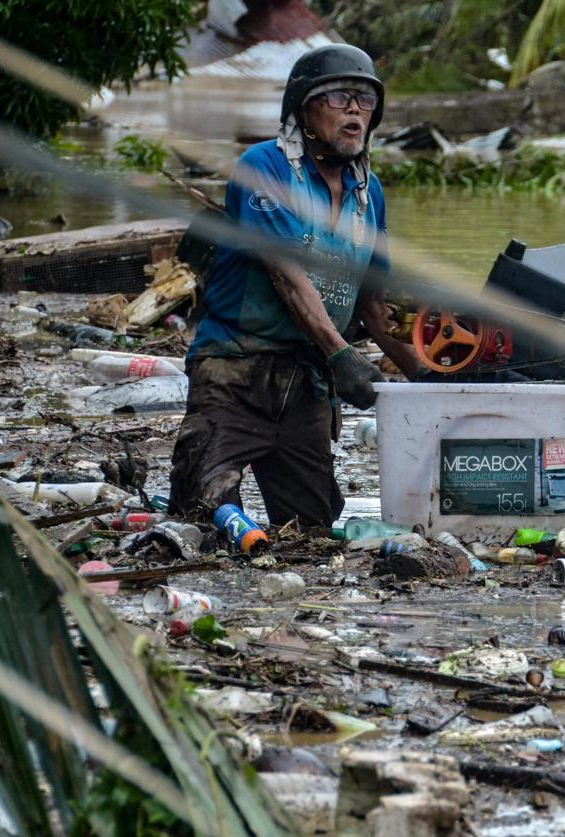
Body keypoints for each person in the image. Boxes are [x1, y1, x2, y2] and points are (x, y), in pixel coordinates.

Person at [170, 44, 417, 528]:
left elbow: (372, 301)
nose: (355, 110)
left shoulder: (371, 193)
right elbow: (285, 272)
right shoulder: (264, 167)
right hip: (236, 373)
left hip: (307, 386)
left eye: (365, 101)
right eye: (340, 97)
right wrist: (342, 354)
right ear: (303, 110)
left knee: (312, 533)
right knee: (200, 515)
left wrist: (431, 379)